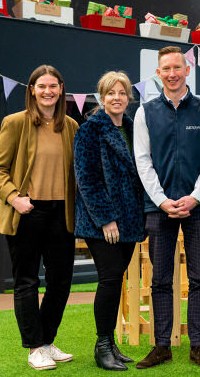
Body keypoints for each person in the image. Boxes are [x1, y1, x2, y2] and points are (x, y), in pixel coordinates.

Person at [133, 46, 200, 369]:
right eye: (166, 69)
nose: (172, 74)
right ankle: (162, 346)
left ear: (187, 70)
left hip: (198, 207)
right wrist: (161, 200)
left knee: (199, 278)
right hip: (159, 208)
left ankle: (198, 346)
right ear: (158, 73)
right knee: (160, 280)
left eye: (177, 68)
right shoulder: (145, 112)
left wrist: (195, 196)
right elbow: (143, 161)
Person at [0, 65, 78, 371]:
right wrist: (15, 198)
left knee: (60, 281)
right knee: (26, 281)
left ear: (61, 89)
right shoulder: (15, 123)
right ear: (32, 90)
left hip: (61, 213)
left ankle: (47, 341)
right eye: (42, 86)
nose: (48, 91)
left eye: (53, 86)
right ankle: (35, 347)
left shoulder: (70, 126)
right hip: (26, 211)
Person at [73, 71, 145, 370]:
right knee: (110, 279)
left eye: (122, 93)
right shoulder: (89, 130)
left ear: (129, 97)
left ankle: (111, 345)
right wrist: (105, 219)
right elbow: (86, 180)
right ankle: (102, 345)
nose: (117, 98)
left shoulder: (132, 127)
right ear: (101, 97)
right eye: (111, 93)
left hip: (129, 219)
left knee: (116, 281)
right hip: (102, 222)